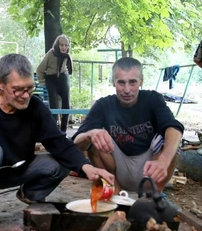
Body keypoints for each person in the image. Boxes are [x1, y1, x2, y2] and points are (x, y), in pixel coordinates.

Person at [0, 53, 114, 231]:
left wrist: (86, 167)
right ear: (0, 83)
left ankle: (30, 195)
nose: (25, 96)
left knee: (60, 163)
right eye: (17, 89)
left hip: (19, 169)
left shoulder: (36, 107)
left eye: (30, 88)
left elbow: (58, 142)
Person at [72, 57, 184, 194]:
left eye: (132, 82)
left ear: (141, 81)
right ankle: (116, 194)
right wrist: (90, 135)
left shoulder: (153, 99)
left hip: (149, 168)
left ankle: (154, 195)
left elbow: (175, 128)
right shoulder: (103, 105)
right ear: (114, 82)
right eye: (121, 82)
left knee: (172, 138)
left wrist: (164, 161)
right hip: (117, 169)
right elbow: (75, 144)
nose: (127, 90)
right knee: (95, 138)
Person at [37, 35, 73, 133]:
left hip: (62, 77)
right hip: (51, 78)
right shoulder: (51, 54)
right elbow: (40, 69)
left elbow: (67, 67)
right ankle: (54, 131)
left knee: (66, 103)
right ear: (58, 45)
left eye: (66, 45)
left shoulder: (66, 55)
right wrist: (42, 81)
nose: (64, 47)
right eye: (61, 45)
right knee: (54, 105)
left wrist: (65, 73)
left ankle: (64, 130)